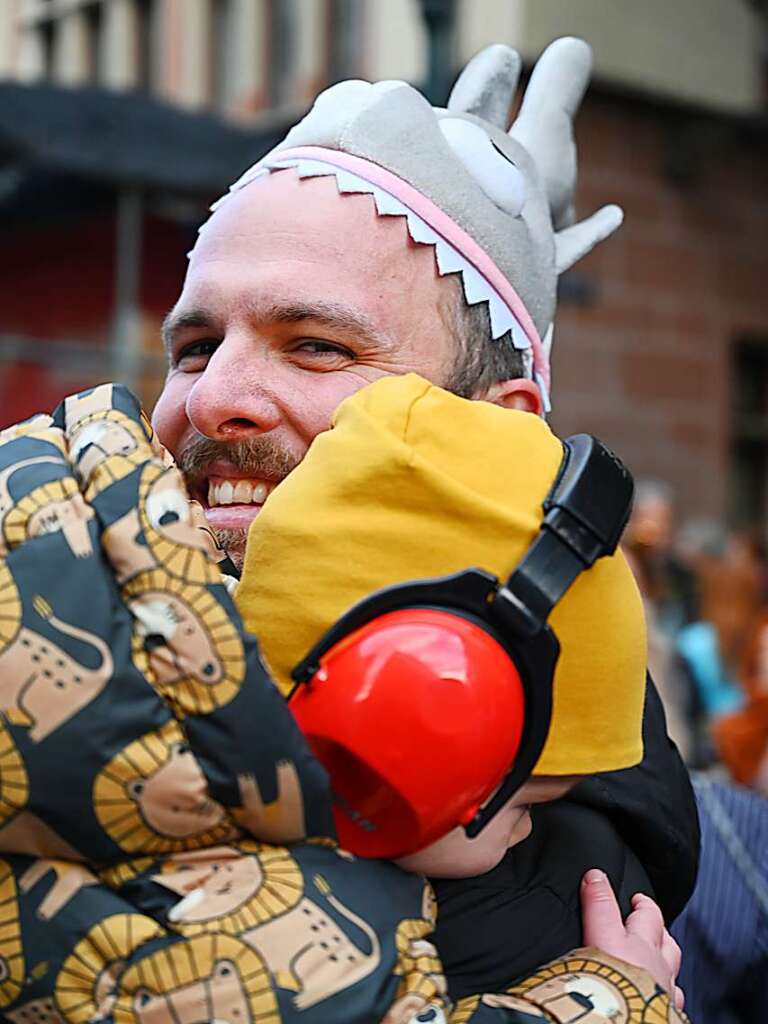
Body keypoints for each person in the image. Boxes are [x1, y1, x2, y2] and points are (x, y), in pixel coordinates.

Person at [0, 377, 686, 1023]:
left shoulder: (142, 717)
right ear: (392, 725)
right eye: (528, 802)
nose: (531, 832)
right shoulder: (272, 909)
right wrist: (615, 996)